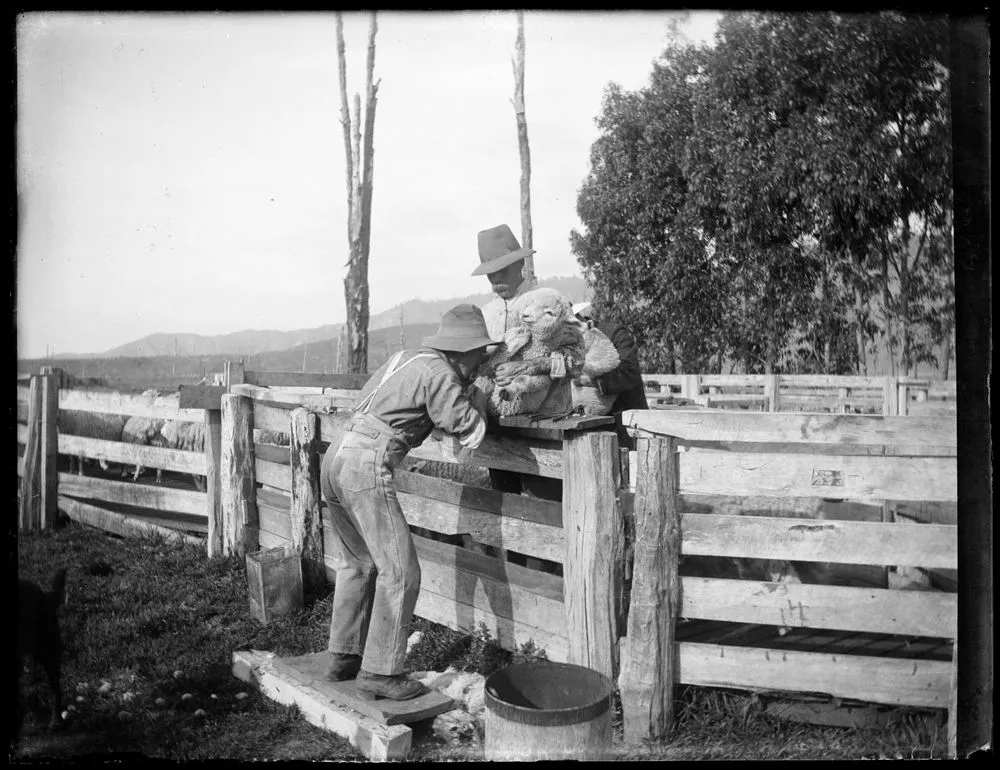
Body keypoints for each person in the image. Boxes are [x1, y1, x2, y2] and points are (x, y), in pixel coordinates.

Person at [319, 304, 497, 700]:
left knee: (357, 563)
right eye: (479, 354)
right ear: (464, 350)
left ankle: (343, 657)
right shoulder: (442, 374)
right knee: (401, 572)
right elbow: (470, 432)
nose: (481, 361)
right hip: (366, 464)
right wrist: (480, 397)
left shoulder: (407, 357)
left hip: (337, 455)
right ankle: (381, 673)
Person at [473, 223, 580, 499]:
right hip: (499, 434)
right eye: (490, 273)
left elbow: (578, 360)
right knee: (507, 513)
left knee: (549, 511)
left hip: (545, 430)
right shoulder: (485, 315)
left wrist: (532, 366)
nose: (496, 279)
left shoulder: (550, 303)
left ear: (520, 262)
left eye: (502, 270)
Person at [573, 301, 649, 447]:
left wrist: (588, 381)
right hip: (589, 429)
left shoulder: (615, 334)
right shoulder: (568, 344)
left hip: (626, 426)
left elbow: (629, 374)